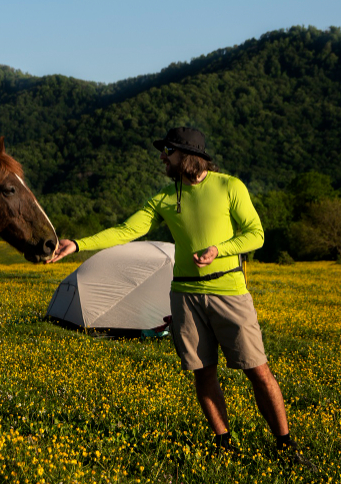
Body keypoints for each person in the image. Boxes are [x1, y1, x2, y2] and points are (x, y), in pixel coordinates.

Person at [48, 127, 300, 458]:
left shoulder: (229, 187)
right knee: (202, 371)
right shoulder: (166, 197)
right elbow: (128, 230)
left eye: (168, 150)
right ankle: (224, 443)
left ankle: (285, 445)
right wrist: (79, 244)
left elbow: (256, 234)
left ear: (188, 155)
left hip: (229, 292)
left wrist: (219, 250)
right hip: (184, 296)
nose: (162, 157)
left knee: (258, 370)